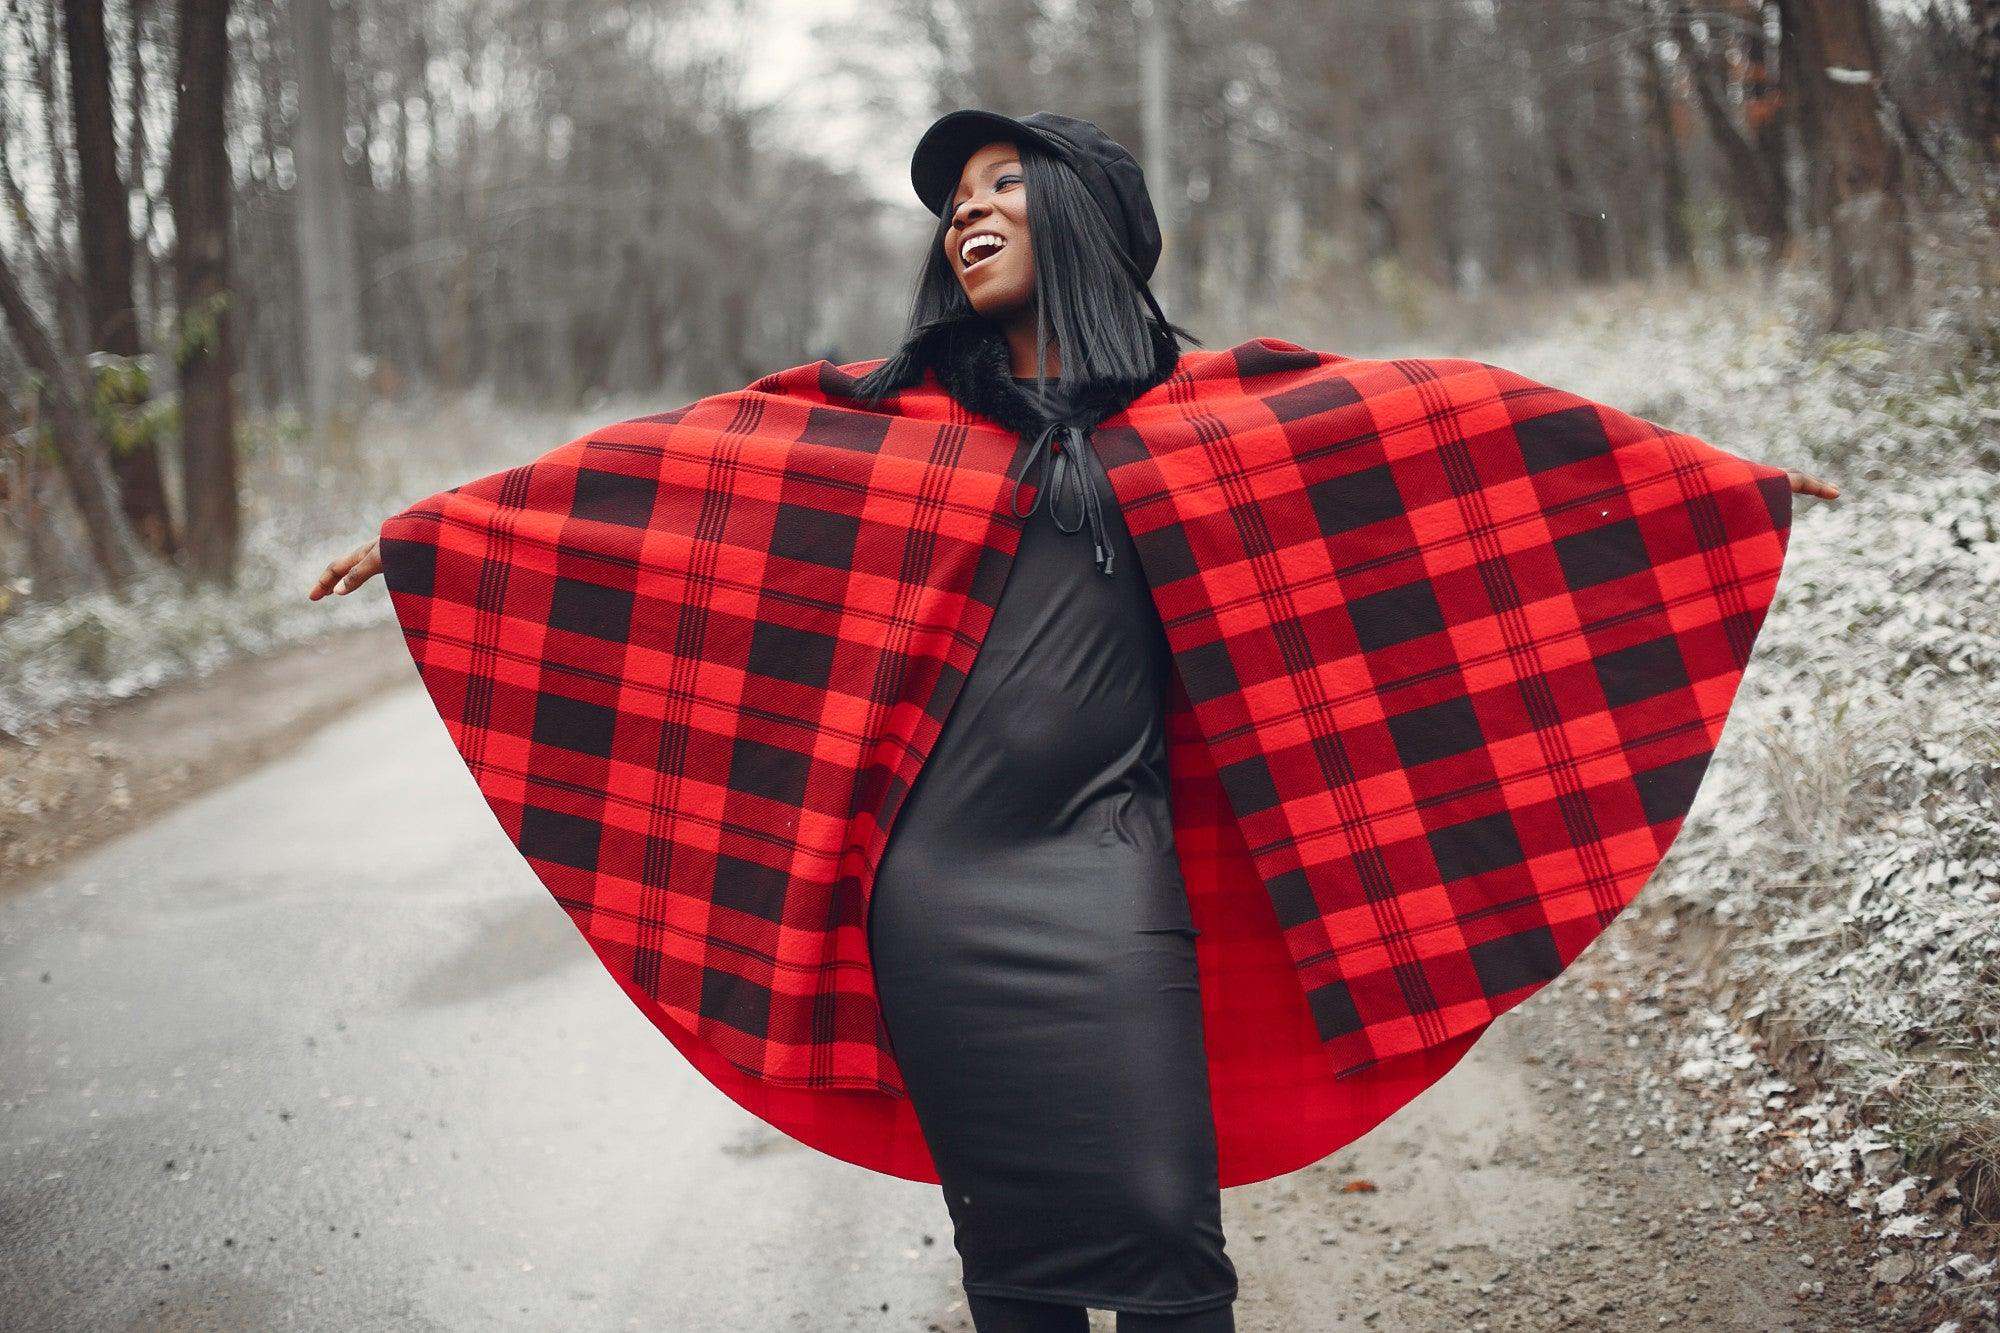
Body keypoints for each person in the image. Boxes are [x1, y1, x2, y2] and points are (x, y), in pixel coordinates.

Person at [311, 110, 1840, 1333]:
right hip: (936, 899)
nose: (963, 212)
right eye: (951, 198)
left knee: (1173, 1261)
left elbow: (1473, 440)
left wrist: (1719, 496)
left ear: (1088, 214)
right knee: (1019, 1274)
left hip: (1113, 884)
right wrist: (449, 536)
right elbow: (662, 487)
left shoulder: (1226, 414)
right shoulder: (885, 426)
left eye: (1001, 183)